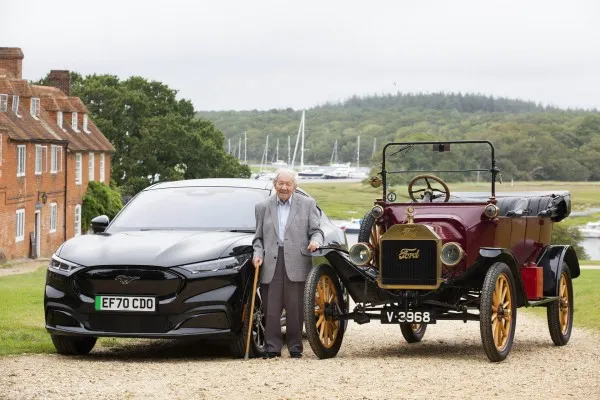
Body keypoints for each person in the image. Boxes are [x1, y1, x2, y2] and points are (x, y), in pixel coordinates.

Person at [252, 169, 323, 359]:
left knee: (295, 307)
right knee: (271, 308)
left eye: (288, 184)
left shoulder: (308, 204)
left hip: (298, 260)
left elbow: (317, 231)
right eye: (280, 183)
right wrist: (257, 254)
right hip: (271, 262)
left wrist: (315, 242)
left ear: (294, 186)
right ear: (274, 184)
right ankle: (272, 348)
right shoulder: (262, 207)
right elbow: (258, 239)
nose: (284, 187)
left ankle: (295, 347)